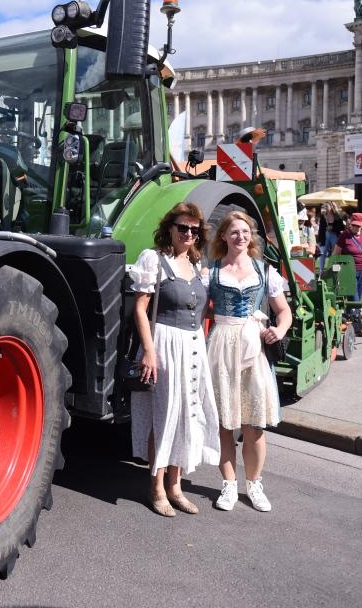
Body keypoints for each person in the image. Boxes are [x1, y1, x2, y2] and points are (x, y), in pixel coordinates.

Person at [129, 203, 220, 517]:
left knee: (188, 416)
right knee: (165, 417)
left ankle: (176, 486)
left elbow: (200, 310)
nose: (189, 234)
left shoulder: (196, 265)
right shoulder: (154, 259)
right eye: (183, 228)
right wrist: (150, 351)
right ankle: (156, 488)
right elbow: (140, 308)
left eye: (194, 230)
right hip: (165, 343)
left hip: (193, 345)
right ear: (169, 227)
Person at [206, 211, 292, 512]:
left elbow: (284, 312)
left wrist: (277, 331)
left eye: (245, 232)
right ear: (224, 237)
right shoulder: (212, 271)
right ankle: (229, 485)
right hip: (220, 346)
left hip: (253, 347)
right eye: (234, 232)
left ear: (251, 236)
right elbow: (201, 312)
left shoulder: (264, 270)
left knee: (254, 424)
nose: (240, 237)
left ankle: (254, 485)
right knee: (224, 423)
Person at [333, 212, 362, 320]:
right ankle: (357, 323)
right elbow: (335, 255)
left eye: (358, 225)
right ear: (350, 223)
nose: (356, 227)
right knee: (354, 298)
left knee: (357, 298)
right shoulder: (344, 235)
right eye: (354, 225)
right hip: (348, 271)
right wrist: (336, 271)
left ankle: (348, 318)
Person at [317, 202, 346, 272]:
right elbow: (320, 229)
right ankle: (321, 271)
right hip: (325, 236)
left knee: (335, 253)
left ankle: (335, 271)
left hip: (334, 235)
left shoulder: (337, 216)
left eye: (327, 206)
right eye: (325, 206)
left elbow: (342, 227)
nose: (325, 208)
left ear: (331, 207)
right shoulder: (323, 216)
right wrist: (319, 240)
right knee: (322, 253)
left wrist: (332, 228)